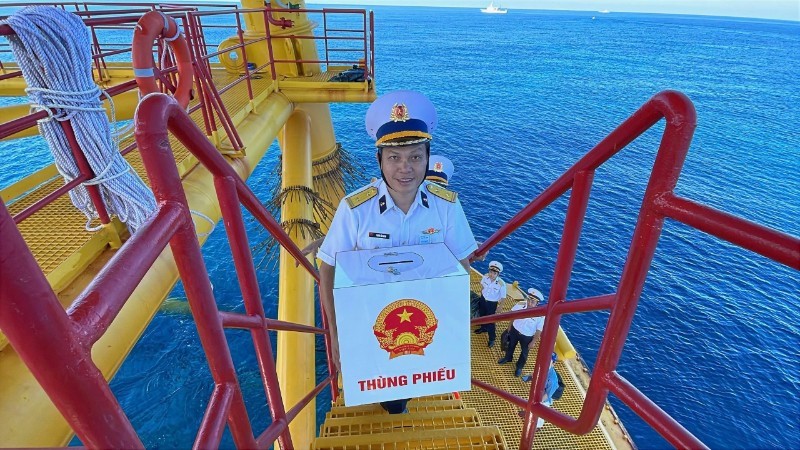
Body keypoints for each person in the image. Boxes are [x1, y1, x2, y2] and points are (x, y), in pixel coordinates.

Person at [317, 90, 478, 414]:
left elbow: (461, 267)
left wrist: (455, 329)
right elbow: (328, 266)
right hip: (371, 321)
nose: (405, 168)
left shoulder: (447, 206)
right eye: (394, 158)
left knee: (416, 381)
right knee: (384, 391)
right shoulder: (355, 209)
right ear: (380, 160)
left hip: (425, 321)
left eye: (415, 157)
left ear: (427, 158)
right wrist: (335, 334)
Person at [300, 154, 457, 259]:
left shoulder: (445, 210)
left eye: (438, 187)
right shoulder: (368, 207)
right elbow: (364, 231)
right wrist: (325, 241)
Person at [498, 287, 544, 376]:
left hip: (527, 336)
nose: (529, 303)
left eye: (533, 302)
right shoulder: (520, 304)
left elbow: (539, 330)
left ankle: (519, 367)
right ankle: (507, 358)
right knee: (510, 345)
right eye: (529, 300)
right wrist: (509, 326)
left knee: (524, 353)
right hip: (515, 330)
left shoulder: (540, 315)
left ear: (537, 303)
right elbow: (513, 315)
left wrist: (533, 342)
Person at [520, 352, 561, 429]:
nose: (545, 362)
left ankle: (537, 427)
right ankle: (528, 413)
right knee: (530, 403)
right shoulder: (542, 368)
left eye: (549, 361)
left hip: (543, 399)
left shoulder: (552, 380)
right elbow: (535, 374)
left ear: (553, 364)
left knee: (539, 414)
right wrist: (527, 378)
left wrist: (538, 402)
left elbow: (547, 395)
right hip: (536, 393)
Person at [474, 261, 507, 347]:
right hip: (483, 299)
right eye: (491, 272)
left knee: (490, 321)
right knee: (482, 315)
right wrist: (482, 295)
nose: (492, 274)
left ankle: (492, 338)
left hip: (492, 304)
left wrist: (500, 307)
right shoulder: (485, 277)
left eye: (494, 273)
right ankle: (483, 328)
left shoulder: (501, 284)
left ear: (498, 274)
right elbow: (482, 286)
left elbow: (503, 297)